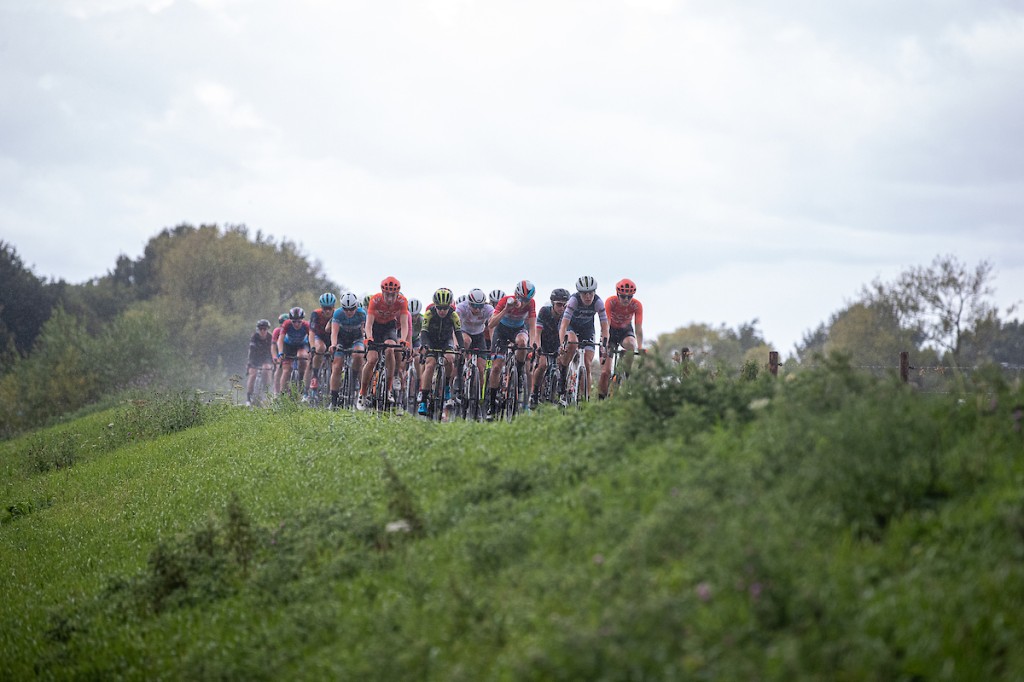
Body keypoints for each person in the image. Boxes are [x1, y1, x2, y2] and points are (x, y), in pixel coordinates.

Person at [485, 280, 538, 419]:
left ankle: (519, 374)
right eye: (521, 298)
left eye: (527, 300)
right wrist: (506, 310)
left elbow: (532, 327)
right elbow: (491, 324)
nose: (524, 302)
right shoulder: (504, 301)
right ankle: (491, 405)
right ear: (515, 295)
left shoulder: (531, 304)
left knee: (522, 342)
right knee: (496, 368)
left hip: (518, 329)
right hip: (501, 331)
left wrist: (532, 345)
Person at [357, 276, 410, 410]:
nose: (390, 299)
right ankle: (362, 393)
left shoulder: (402, 301)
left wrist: (403, 340)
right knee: (372, 359)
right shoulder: (375, 300)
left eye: (393, 295)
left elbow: (404, 324)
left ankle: (389, 388)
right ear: (382, 292)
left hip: (389, 327)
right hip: (375, 328)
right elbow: (368, 324)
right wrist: (368, 338)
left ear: (397, 293)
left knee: (390, 348)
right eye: (387, 295)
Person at [558, 275, 609, 402]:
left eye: (591, 293)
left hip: (587, 330)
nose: (588, 297)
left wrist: (604, 343)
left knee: (587, 363)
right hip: (571, 326)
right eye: (585, 294)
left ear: (594, 292)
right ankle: (563, 374)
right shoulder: (573, 301)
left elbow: (605, 327)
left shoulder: (598, 302)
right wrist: (561, 344)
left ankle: (585, 399)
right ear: (579, 293)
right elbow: (563, 325)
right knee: (572, 342)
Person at [416, 288, 465, 416]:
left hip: (446, 341)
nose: (442, 311)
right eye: (439, 308)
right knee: (430, 364)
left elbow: (459, 333)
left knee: (450, 358)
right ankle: (423, 400)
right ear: (435, 305)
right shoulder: (429, 314)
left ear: (450, 306)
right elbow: (424, 333)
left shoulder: (454, 315)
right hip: (431, 341)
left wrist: (462, 347)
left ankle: (447, 386)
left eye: (445, 308)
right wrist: (425, 345)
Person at [599, 278, 644, 398]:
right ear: (617, 294)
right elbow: (606, 324)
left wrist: (640, 347)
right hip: (610, 331)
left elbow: (638, 328)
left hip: (625, 330)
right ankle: (601, 399)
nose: (626, 299)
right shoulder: (610, 302)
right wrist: (606, 342)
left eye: (629, 297)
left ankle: (626, 375)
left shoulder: (637, 305)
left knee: (631, 344)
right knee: (605, 372)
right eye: (623, 296)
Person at [530, 288, 569, 406]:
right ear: (552, 303)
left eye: (564, 305)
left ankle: (561, 392)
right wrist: (538, 348)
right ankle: (534, 394)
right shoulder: (544, 312)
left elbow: (568, 333)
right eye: (559, 305)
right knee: (542, 365)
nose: (562, 308)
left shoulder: (567, 315)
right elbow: (537, 333)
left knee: (563, 363)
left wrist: (564, 347)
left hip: (557, 342)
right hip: (544, 342)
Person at [328, 292, 367, 408]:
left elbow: (364, 332)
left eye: (352, 309)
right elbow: (334, 333)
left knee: (359, 356)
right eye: (346, 309)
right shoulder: (338, 314)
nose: (349, 312)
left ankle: (360, 390)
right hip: (342, 340)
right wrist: (333, 345)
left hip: (356, 338)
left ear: (356, 306)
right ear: (342, 307)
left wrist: (367, 343)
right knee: (336, 366)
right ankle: (334, 400)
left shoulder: (361, 314)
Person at [455, 288, 494, 393]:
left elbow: (492, 326)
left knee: (482, 369)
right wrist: (456, 344)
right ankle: (460, 372)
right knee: (466, 341)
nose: (477, 310)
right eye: (474, 306)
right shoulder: (461, 307)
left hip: (479, 335)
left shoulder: (488, 309)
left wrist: (493, 342)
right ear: (469, 303)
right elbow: (455, 327)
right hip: (464, 332)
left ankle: (479, 396)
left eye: (480, 306)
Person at [306, 292, 336, 396]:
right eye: (325, 308)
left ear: (333, 307)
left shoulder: (337, 314)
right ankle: (314, 377)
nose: (327, 311)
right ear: (321, 307)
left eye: (330, 308)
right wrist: (312, 347)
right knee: (320, 348)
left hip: (332, 338)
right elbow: (311, 332)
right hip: (319, 337)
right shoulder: (316, 314)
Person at [277, 307, 311, 395]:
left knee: (303, 357)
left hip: (302, 345)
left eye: (299, 321)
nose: (296, 324)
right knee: (286, 370)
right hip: (288, 346)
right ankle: (282, 394)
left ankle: (301, 381)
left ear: (302, 320)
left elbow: (311, 338)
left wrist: (311, 350)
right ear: (290, 320)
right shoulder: (286, 324)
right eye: (294, 322)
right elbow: (280, 339)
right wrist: (280, 352)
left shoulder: (306, 325)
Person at [245, 319, 274, 406]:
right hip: (255, 357)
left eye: (264, 329)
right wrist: (249, 364)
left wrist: (273, 363)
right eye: (260, 329)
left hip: (266, 357)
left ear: (267, 329)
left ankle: (266, 391)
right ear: (258, 329)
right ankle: (248, 398)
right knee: (252, 374)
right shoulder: (254, 337)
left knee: (267, 369)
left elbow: (273, 351)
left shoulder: (271, 337)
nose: (262, 331)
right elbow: (251, 352)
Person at [271, 313, 288, 390]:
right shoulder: (277, 331)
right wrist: (275, 356)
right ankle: (276, 391)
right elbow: (273, 346)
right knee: (279, 369)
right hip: (280, 352)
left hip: (290, 351)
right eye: (282, 323)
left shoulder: (292, 330)